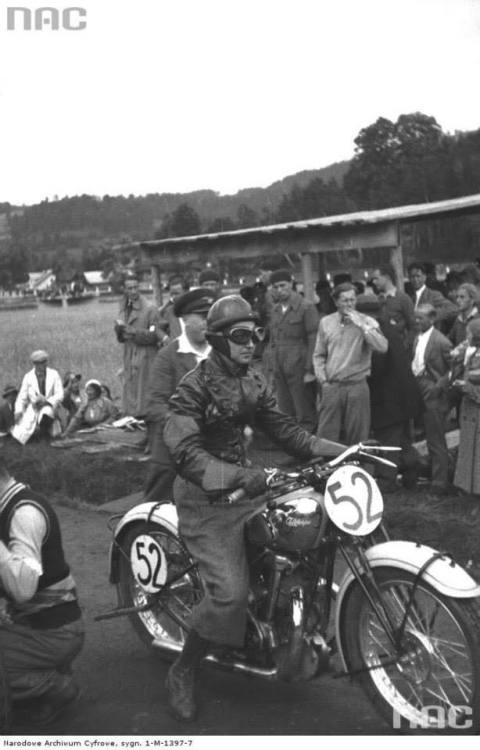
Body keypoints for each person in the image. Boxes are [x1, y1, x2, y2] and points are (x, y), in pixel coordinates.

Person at [163, 295, 346, 722]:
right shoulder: (193, 387)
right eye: (240, 336)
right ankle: (183, 669)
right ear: (217, 341)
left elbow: (288, 433)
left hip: (249, 489)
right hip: (206, 501)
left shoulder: (253, 378)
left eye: (255, 334)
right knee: (229, 595)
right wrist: (240, 476)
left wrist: (348, 451)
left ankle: (293, 631)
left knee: (307, 535)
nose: (251, 343)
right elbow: (185, 453)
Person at [0, 458, 84, 726]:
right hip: (40, 623)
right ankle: (44, 673)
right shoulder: (8, 507)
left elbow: (23, 587)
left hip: (54, 630)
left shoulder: (24, 513)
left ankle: (51, 685)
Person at [143, 289, 216, 503]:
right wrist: (188, 424)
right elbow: (155, 406)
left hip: (216, 444)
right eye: (202, 317)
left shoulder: (223, 354)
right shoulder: (168, 357)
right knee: (160, 502)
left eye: (212, 316)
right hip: (174, 446)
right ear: (184, 319)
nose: (208, 322)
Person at [355, 295, 421, 489]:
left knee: (387, 439)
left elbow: (378, 365)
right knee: (402, 439)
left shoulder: (374, 330)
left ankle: (386, 480)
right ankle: (411, 473)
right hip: (404, 393)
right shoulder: (386, 326)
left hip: (388, 396)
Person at [313, 282, 388, 443]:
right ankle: (327, 466)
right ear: (336, 302)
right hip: (332, 386)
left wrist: (362, 325)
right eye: (345, 300)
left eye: (352, 300)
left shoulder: (367, 321)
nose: (349, 304)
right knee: (326, 435)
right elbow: (318, 354)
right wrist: (323, 379)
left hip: (357, 386)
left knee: (358, 435)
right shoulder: (326, 322)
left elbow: (382, 347)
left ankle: (357, 467)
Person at [268, 269, 319, 431]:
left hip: (299, 364)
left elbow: (314, 338)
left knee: (304, 408)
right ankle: (291, 444)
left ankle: (308, 446)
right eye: (275, 287)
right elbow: (273, 340)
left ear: (291, 284)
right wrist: (271, 366)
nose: (279, 290)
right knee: (284, 407)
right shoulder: (275, 310)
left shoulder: (306, 307)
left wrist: (310, 369)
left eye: (283, 285)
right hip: (280, 365)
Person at [411, 304, 453, 493]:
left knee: (436, 440)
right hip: (419, 390)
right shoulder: (417, 338)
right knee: (427, 437)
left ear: (432, 319)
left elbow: (456, 368)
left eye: (421, 318)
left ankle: (440, 482)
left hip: (433, 395)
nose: (417, 321)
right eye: (416, 318)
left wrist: (439, 386)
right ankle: (429, 474)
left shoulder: (441, 341)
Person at [115, 273, 166, 419]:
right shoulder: (124, 307)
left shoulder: (150, 308)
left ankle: (146, 421)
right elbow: (122, 336)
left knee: (144, 393)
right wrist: (119, 332)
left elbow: (156, 335)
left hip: (146, 355)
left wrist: (134, 332)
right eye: (129, 288)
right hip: (129, 353)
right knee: (130, 389)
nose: (133, 291)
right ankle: (133, 419)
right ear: (125, 289)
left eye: (136, 287)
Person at [11, 351, 64, 445]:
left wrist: (47, 401)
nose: (44, 364)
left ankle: (44, 437)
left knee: (46, 414)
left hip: (49, 405)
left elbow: (60, 393)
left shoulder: (54, 374)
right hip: (34, 407)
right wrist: (18, 411)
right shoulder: (28, 377)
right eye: (41, 362)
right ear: (35, 364)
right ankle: (32, 437)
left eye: (45, 361)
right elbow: (22, 397)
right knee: (22, 432)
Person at [453, 318, 480, 494]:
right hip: (470, 412)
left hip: (477, 413)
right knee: (470, 453)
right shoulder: (473, 354)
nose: (466, 336)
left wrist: (467, 387)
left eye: (469, 333)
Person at [370, 265, 416, 347]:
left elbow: (413, 325)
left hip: (399, 348)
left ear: (387, 277)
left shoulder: (403, 298)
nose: (373, 282)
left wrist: (406, 344)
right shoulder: (377, 299)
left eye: (376, 278)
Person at [407, 262, 457, 334]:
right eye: (412, 277)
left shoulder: (433, 295)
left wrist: (432, 316)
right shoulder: (411, 298)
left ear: (424, 277)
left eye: (418, 276)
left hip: (431, 336)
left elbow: (453, 308)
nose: (415, 279)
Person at [447, 283, 480, 347]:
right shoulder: (458, 319)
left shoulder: (478, 321)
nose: (458, 300)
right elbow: (450, 340)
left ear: (472, 300)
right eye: (457, 297)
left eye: (462, 297)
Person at [158, 275, 189, 340]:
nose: (173, 297)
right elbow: (158, 328)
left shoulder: (196, 308)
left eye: (177, 294)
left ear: (186, 292)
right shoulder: (169, 311)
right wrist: (165, 338)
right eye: (172, 294)